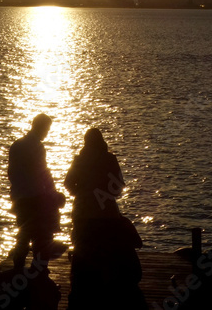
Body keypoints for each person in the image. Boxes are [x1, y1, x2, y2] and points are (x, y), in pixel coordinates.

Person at [63, 128, 145, 310]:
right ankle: (108, 289)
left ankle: (81, 287)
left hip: (83, 212)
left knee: (82, 248)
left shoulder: (79, 159)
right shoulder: (110, 159)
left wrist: (82, 194)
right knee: (107, 249)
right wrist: (104, 195)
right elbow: (119, 185)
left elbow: (68, 183)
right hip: (106, 212)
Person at [7, 114, 66, 267]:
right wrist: (54, 194)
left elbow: (11, 173)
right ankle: (39, 272)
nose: (47, 132)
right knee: (42, 236)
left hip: (20, 198)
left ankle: (18, 268)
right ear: (40, 127)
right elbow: (43, 173)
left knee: (23, 235)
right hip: (36, 199)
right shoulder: (37, 147)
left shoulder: (16, 145)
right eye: (46, 129)